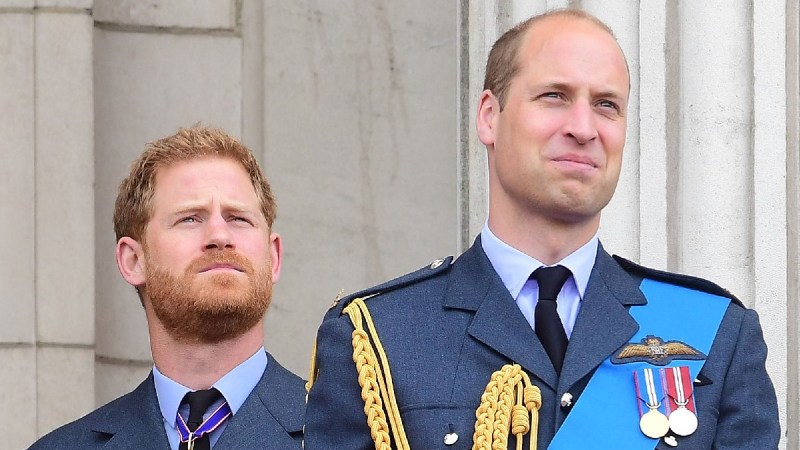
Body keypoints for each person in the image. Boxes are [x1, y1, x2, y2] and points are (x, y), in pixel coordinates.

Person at [304, 9, 779, 450]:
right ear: (489, 116)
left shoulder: (717, 334)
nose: (583, 127)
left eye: (607, 105)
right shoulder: (379, 337)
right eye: (555, 96)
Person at [31, 126, 305, 449]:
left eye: (238, 219)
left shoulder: (353, 437)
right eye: (190, 218)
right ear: (133, 259)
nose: (220, 235)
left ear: (273, 256)